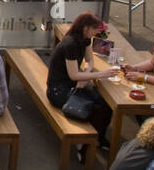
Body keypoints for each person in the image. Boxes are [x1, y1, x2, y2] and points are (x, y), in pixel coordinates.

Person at [46, 11, 114, 151]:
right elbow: (73, 75)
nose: (96, 32)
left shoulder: (85, 39)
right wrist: (100, 74)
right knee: (94, 107)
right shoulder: (70, 44)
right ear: (85, 27)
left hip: (72, 83)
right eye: (94, 29)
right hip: (58, 90)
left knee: (105, 104)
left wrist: (86, 73)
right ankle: (84, 145)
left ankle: (98, 138)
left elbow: (90, 60)